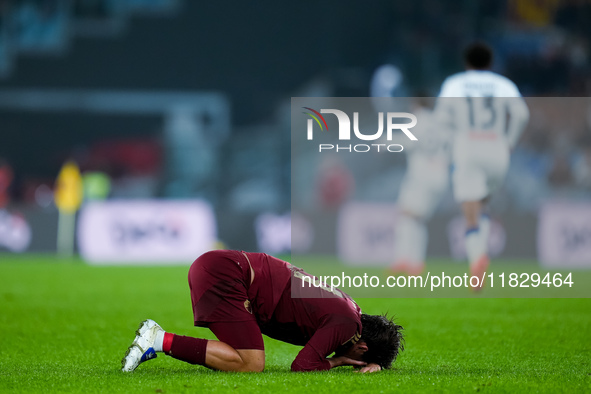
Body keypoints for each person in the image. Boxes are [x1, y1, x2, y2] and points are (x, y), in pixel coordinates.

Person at [121, 250, 404, 373]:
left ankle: (159, 340)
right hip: (226, 275)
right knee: (251, 363)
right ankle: (157, 339)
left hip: (223, 267)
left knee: (242, 356)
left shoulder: (351, 310)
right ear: (363, 347)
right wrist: (340, 362)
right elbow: (302, 366)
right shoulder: (347, 326)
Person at [434, 42, 529, 290]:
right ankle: (481, 254)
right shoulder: (503, 84)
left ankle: (477, 260)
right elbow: (521, 115)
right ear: (490, 62)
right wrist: (509, 140)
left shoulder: (454, 84)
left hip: (468, 148)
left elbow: (441, 121)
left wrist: (447, 149)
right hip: (498, 150)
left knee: (470, 211)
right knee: (484, 203)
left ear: (467, 63)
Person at [391, 97, 451, 275]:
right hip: (440, 176)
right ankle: (415, 263)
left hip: (421, 176)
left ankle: (404, 260)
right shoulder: (441, 124)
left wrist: (384, 142)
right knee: (417, 218)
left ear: (416, 104)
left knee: (405, 214)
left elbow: (408, 141)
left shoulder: (418, 120)